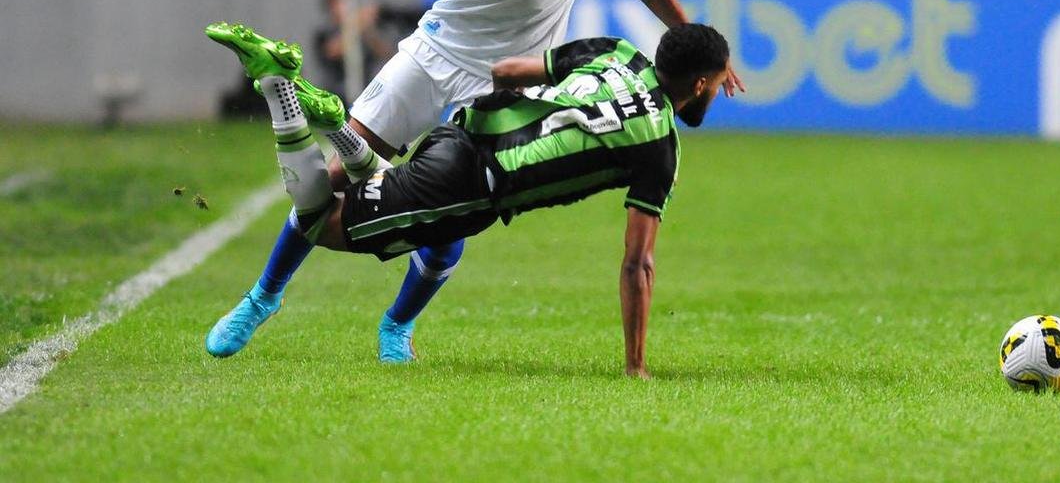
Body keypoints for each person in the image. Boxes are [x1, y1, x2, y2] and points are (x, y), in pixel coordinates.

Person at [228, 0, 744, 362]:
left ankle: (397, 327)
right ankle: (263, 297)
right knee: (334, 179)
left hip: (503, 89)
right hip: (435, 54)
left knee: (447, 225)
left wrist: (696, 39)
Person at [202, 20, 730, 377]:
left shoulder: (618, 52)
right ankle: (280, 90)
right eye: (719, 80)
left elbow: (506, 73)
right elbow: (638, 263)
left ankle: (393, 319)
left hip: (465, 126)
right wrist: (635, 367)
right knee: (322, 221)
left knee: (443, 245)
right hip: (473, 185)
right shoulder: (659, 146)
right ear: (702, 83)